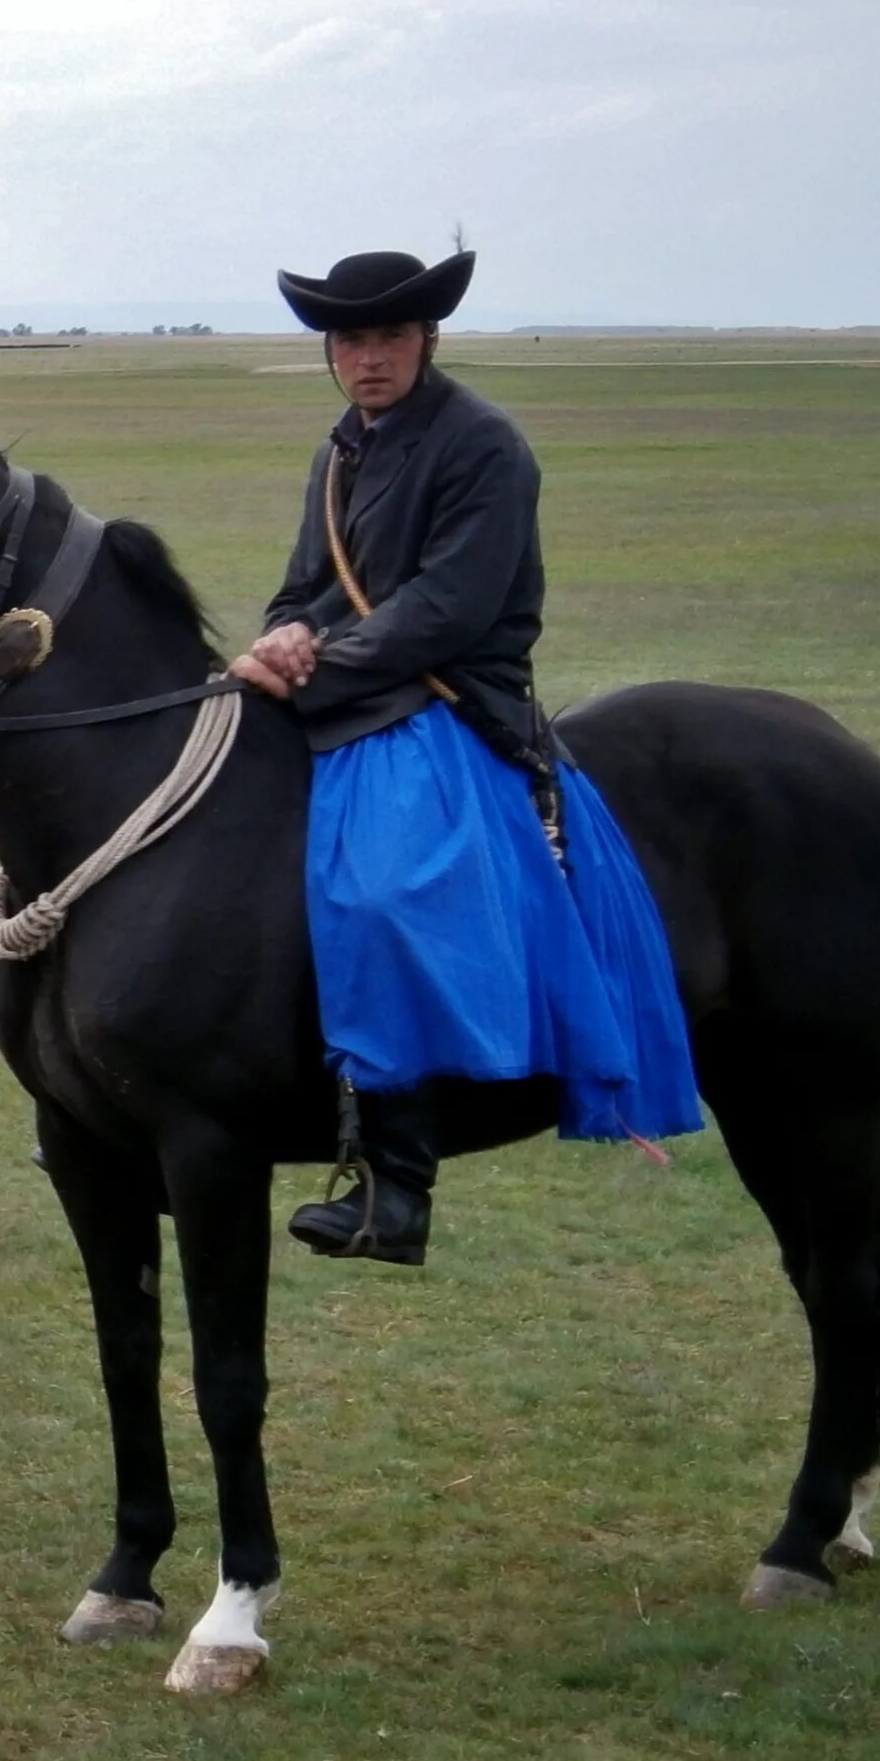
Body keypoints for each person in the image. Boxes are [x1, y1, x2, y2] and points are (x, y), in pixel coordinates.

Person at [229, 248, 699, 1264]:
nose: (369, 359)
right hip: (346, 687)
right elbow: (303, 584)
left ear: (426, 339)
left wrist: (319, 663)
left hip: (447, 701)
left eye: (390, 337)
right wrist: (279, 639)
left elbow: (450, 610)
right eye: (351, 340)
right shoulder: (340, 451)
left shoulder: (485, 445)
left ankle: (397, 1188)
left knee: (384, 892)